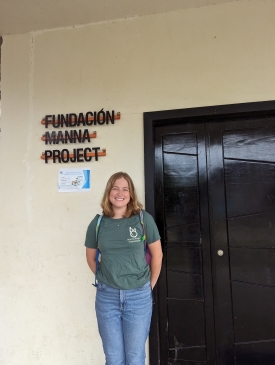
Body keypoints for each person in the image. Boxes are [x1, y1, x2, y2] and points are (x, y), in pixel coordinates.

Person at [85, 172, 163, 365]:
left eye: (125, 189)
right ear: (108, 192)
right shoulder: (97, 224)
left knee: (135, 357)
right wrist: (109, 278)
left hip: (138, 297)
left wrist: (149, 285)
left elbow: (157, 254)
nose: (120, 193)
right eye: (115, 188)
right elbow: (90, 258)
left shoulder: (143, 220)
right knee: (113, 358)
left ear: (131, 194)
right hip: (107, 298)